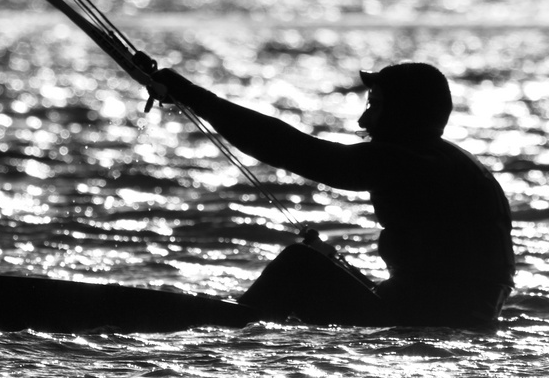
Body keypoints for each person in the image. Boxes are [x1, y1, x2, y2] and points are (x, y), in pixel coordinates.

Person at [153, 62, 514, 327]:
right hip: (453, 319)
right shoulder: (453, 162)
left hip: (428, 322)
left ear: (402, 114)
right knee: (315, 262)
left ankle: (216, 335)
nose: (363, 121)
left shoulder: (408, 162)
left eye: (374, 106)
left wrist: (194, 97)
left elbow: (292, 149)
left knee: (299, 265)